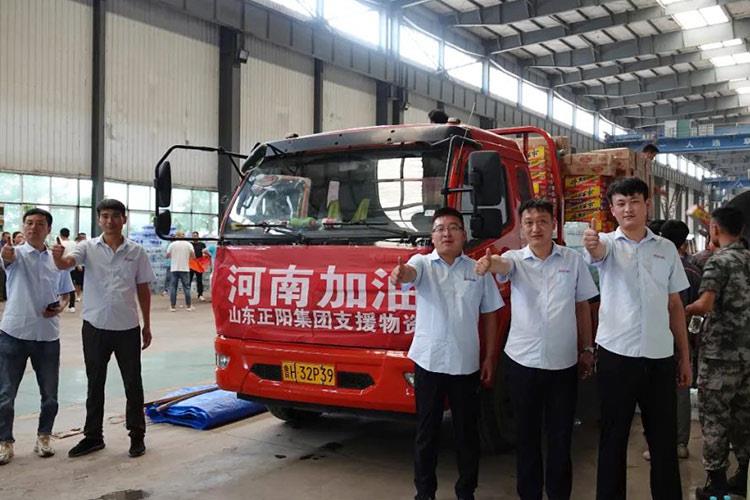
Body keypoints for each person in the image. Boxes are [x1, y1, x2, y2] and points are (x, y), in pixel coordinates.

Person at [475, 199, 598, 500]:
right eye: (528, 223)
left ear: (553, 225)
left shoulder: (572, 260)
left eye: (542, 221)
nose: (535, 228)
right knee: (526, 437)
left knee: (560, 437)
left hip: (563, 364)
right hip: (522, 363)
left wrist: (587, 348)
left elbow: (582, 306)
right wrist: (490, 263)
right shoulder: (515, 259)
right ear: (522, 228)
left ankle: (559, 494)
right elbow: (502, 265)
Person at [582, 177, 691, 500]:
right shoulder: (607, 244)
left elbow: (675, 305)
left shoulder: (665, 249)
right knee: (613, 438)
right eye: (621, 203)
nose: (628, 208)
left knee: (663, 441)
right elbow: (596, 253)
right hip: (617, 357)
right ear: (612, 210)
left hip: (659, 358)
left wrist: (684, 358)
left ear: (647, 206)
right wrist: (591, 244)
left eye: (634, 201)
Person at [389, 206, 503, 500]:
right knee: (427, 433)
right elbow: (408, 273)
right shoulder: (423, 264)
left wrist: (490, 357)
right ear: (432, 236)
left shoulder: (478, 269)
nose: (446, 233)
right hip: (429, 362)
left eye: (453, 228)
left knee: (467, 434)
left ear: (464, 235)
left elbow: (491, 314)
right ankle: (424, 492)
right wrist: (401, 273)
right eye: (440, 228)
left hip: (466, 364)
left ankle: (466, 491)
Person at [51, 199, 155, 459]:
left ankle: (137, 436)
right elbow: (67, 263)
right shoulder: (87, 247)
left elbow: (143, 288)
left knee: (133, 383)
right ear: (99, 220)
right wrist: (58, 258)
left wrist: (147, 324)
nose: (110, 221)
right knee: (95, 382)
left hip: (127, 327)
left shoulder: (137, 252)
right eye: (105, 216)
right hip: (95, 327)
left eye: (115, 216)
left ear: (124, 219)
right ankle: (93, 436)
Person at [685, 206, 750, 499]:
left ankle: (717, 485)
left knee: (714, 420)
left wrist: (682, 309)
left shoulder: (718, 262)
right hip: (748, 356)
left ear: (714, 228)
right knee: (744, 418)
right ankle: (744, 477)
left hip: (720, 358)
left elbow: (705, 304)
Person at [0, 208, 73, 465]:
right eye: (29, 223)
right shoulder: (14, 254)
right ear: (23, 226)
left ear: (48, 229)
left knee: (50, 395)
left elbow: (65, 294)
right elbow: (6, 260)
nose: (33, 227)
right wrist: (5, 255)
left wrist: (60, 307)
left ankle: (44, 437)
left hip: (47, 336)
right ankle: (5, 442)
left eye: (39, 223)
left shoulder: (57, 259)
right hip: (14, 333)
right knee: (5, 394)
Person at [640, 220, 702, 462]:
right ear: (684, 242)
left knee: (654, 394)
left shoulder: (656, 264)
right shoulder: (694, 271)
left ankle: (654, 443)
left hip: (657, 337)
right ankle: (680, 443)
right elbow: (698, 310)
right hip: (683, 336)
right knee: (681, 389)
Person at [166, 231, 195, 312]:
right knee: (186, 288)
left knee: (173, 287)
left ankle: (173, 307)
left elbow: (167, 255)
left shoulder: (172, 244)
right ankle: (188, 306)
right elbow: (193, 256)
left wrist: (173, 255)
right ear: (184, 236)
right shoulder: (188, 244)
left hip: (174, 269)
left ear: (176, 236)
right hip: (185, 268)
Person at [58, 228, 78, 313]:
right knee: (71, 286)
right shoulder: (74, 243)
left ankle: (58, 302)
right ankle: (72, 305)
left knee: (62, 285)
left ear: (61, 234)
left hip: (63, 267)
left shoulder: (61, 243)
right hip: (73, 266)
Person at [189, 231, 208, 302]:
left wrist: (204, 261)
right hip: (191, 264)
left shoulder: (202, 244)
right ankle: (188, 295)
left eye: (196, 236)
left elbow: (205, 253)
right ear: (192, 237)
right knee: (189, 280)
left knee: (199, 280)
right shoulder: (189, 244)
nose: (195, 237)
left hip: (199, 265)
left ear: (198, 236)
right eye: (193, 236)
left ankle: (200, 295)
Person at [70, 233, 87, 301]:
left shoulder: (88, 245)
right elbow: (75, 256)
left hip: (86, 266)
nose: (84, 239)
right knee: (78, 282)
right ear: (79, 238)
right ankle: (78, 295)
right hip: (79, 266)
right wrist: (78, 265)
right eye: (83, 237)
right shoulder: (76, 245)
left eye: (85, 237)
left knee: (84, 281)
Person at [0, 232, 9, 302]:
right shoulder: (1, 244)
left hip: (6, 265)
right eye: (6, 237)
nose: (8, 238)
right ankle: (1, 296)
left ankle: (5, 295)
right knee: (1, 281)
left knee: (5, 280)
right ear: (3, 237)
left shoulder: (8, 244)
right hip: (1, 265)